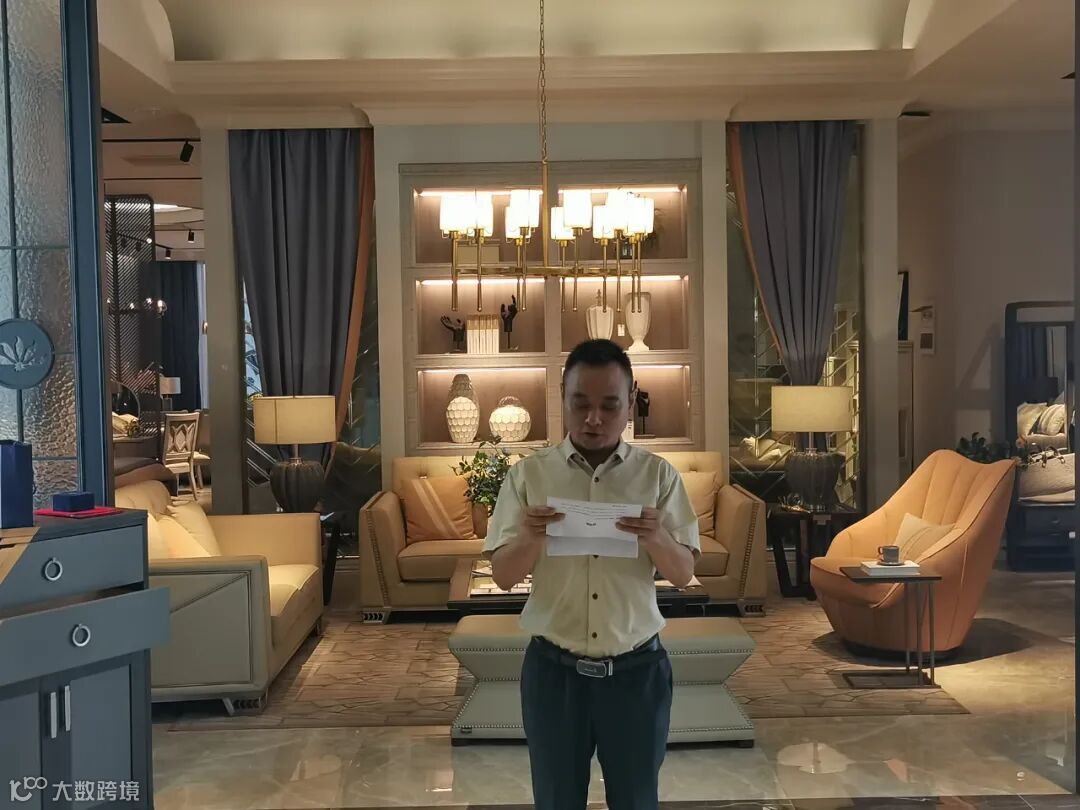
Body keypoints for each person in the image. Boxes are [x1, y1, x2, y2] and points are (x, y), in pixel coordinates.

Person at [483, 338, 700, 810]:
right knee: (556, 801)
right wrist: (530, 537)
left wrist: (657, 537)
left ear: (631, 401)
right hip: (553, 676)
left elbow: (684, 574)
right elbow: (502, 575)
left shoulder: (658, 477)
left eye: (609, 405)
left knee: (637, 800)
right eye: (580, 404)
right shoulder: (529, 476)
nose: (594, 419)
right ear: (562, 398)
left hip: (636, 673)